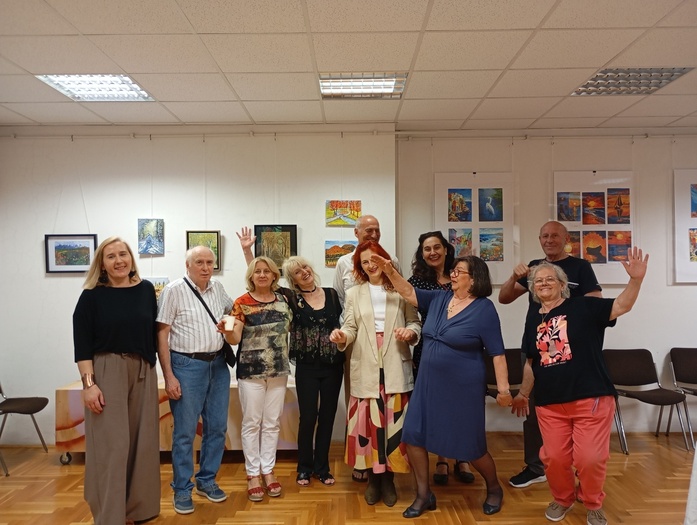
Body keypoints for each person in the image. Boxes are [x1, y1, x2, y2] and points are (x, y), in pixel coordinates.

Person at [511, 247, 649, 525]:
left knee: (590, 459)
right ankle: (563, 499)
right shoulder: (533, 319)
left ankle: (592, 501)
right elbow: (531, 361)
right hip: (550, 403)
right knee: (554, 458)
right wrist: (523, 393)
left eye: (550, 279)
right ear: (533, 289)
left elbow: (621, 306)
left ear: (563, 284)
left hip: (591, 398)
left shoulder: (583, 306)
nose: (544, 283)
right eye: (538, 281)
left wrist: (635, 280)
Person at [371, 253, 511, 518]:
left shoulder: (484, 309)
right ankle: (424, 495)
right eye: (453, 270)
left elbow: (497, 353)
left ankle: (494, 488)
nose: (452, 275)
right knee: (413, 436)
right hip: (428, 383)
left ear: (474, 279)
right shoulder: (440, 298)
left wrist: (503, 390)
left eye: (458, 271)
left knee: (470, 445)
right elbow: (408, 292)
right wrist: (389, 271)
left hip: (463, 387)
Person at [498, 220, 604, 489]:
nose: (549, 240)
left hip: (571, 351)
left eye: (555, 235)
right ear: (539, 239)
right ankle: (536, 467)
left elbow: (596, 305)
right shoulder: (535, 267)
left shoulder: (581, 267)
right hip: (534, 346)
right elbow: (504, 298)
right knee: (534, 407)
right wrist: (513, 277)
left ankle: (579, 467)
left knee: (573, 408)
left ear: (566, 239)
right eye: (544, 235)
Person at [236, 227, 344, 487]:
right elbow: (260, 280)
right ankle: (304, 468)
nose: (303, 272)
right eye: (297, 272)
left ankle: (323, 468)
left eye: (305, 267)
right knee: (308, 417)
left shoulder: (332, 294)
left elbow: (347, 323)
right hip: (305, 366)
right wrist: (247, 251)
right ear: (292, 280)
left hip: (332, 365)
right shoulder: (290, 298)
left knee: (327, 417)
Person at [73, 237, 160, 525]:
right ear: (102, 265)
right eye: (111, 256)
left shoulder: (146, 290)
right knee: (113, 445)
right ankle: (110, 515)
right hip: (107, 370)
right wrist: (89, 385)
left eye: (123, 254)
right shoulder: (91, 297)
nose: (119, 260)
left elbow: (155, 333)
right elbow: (82, 346)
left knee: (143, 444)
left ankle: (138, 509)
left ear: (131, 258)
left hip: (143, 370)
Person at [329, 241, 421, 507]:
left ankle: (389, 480)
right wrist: (342, 336)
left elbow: (414, 321)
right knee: (368, 426)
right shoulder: (354, 293)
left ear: (385, 260)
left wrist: (411, 332)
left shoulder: (401, 289)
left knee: (393, 425)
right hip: (365, 364)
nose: (371, 265)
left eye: (375, 260)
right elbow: (350, 327)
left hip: (395, 363)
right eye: (365, 262)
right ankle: (372, 479)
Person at [157, 246, 232, 515]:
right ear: (187, 265)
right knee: (185, 432)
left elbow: (235, 312)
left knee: (217, 428)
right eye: (199, 262)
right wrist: (169, 376)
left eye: (210, 262)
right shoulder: (173, 290)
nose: (205, 267)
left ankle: (206, 480)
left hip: (218, 365)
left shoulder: (218, 288)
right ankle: (181, 488)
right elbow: (161, 334)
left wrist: (230, 324)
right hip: (186, 367)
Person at [332, 214, 399, 483]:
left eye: (377, 229)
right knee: (360, 401)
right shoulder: (343, 263)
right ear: (356, 233)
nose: (373, 233)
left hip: (390, 344)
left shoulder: (391, 262)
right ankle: (363, 460)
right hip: (357, 339)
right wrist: (344, 334)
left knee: (389, 402)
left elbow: (402, 298)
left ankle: (389, 461)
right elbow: (340, 299)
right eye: (368, 229)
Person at [408, 231, 475, 486]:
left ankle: (463, 456)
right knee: (436, 407)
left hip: (461, 349)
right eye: (427, 249)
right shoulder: (417, 281)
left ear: (446, 249)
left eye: (437, 247)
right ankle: (442, 458)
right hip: (430, 350)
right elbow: (410, 313)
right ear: (422, 254)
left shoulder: (461, 274)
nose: (432, 252)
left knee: (460, 406)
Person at [223, 256, 293, 502]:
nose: (262, 275)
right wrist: (227, 332)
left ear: (274, 275)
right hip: (250, 371)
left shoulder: (284, 300)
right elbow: (234, 338)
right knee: (252, 422)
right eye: (257, 271)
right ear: (251, 276)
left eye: (266, 271)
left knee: (272, 422)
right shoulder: (241, 303)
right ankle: (253, 474)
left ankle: (268, 470)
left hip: (279, 370)